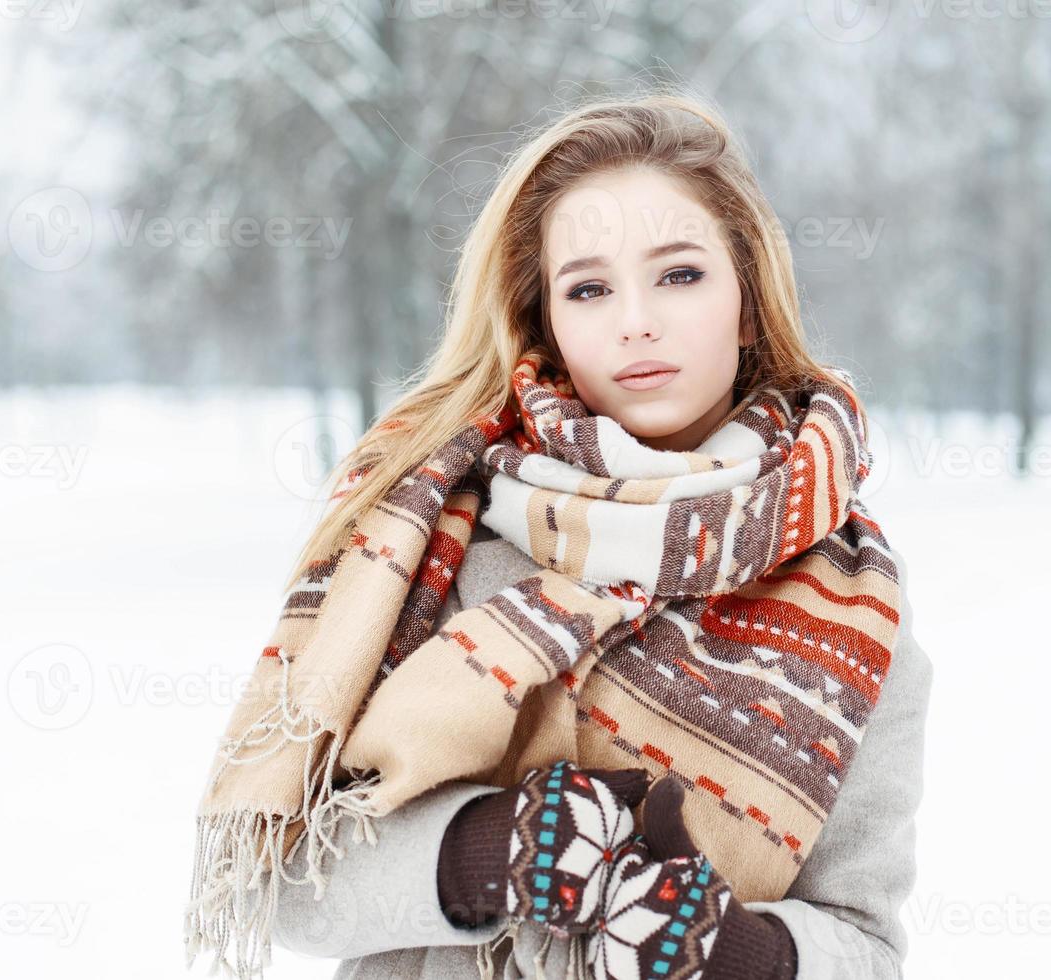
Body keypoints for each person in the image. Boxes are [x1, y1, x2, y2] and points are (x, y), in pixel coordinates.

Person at [192, 88, 934, 980]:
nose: (635, 320)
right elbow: (286, 877)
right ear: (548, 319)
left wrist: (740, 951)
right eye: (589, 288)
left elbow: (865, 945)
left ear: (746, 302)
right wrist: (489, 850)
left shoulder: (854, 616)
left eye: (680, 274)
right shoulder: (433, 531)